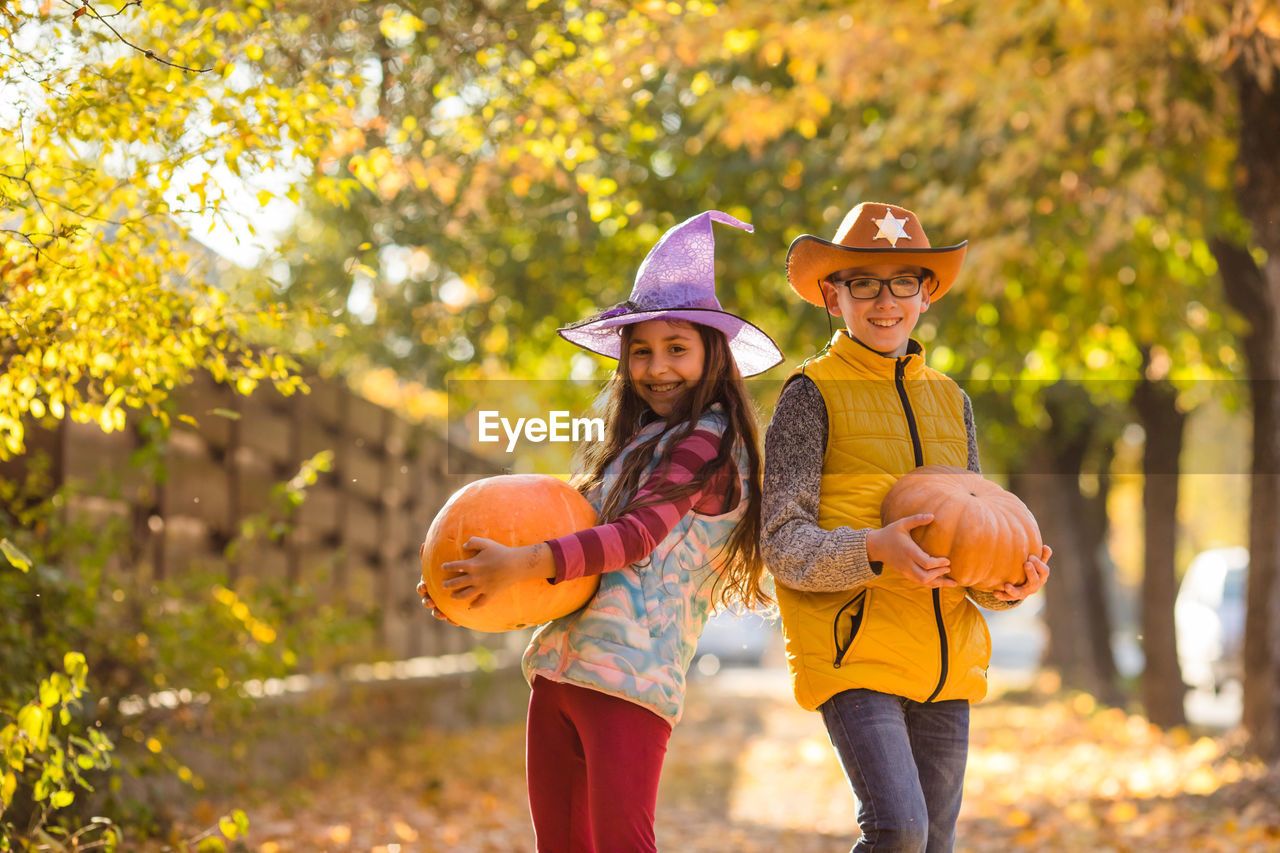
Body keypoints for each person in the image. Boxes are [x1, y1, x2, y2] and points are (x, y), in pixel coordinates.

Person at [418, 210, 783, 852]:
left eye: (677, 348)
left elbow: (636, 538)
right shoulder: (633, 445)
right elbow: (569, 547)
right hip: (560, 671)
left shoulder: (710, 439)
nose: (656, 367)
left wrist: (521, 562)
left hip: (630, 680)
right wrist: (475, 588)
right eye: (639, 351)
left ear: (712, 354)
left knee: (622, 844)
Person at [761, 201, 1052, 853]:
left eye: (901, 282)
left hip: (946, 660)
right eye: (863, 282)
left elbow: (971, 540)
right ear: (834, 296)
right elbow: (781, 542)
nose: (883, 299)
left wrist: (1005, 585)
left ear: (926, 294)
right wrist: (875, 551)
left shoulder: (953, 401)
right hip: (853, 651)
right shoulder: (809, 393)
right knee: (899, 830)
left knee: (935, 843)